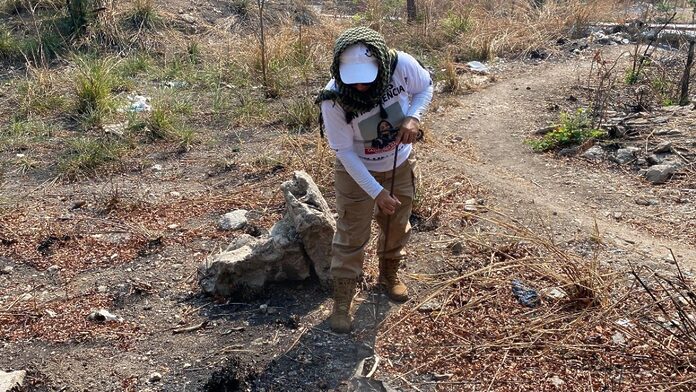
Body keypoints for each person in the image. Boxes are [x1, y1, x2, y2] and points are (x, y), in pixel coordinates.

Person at [316, 27, 433, 333]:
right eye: (351, 76)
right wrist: (376, 191)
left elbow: (426, 87)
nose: (358, 84)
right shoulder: (333, 98)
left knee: (397, 223)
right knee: (351, 234)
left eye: (365, 77)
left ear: (380, 65)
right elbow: (343, 151)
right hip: (356, 171)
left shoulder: (400, 65)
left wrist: (414, 116)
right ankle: (343, 299)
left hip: (399, 163)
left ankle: (389, 275)